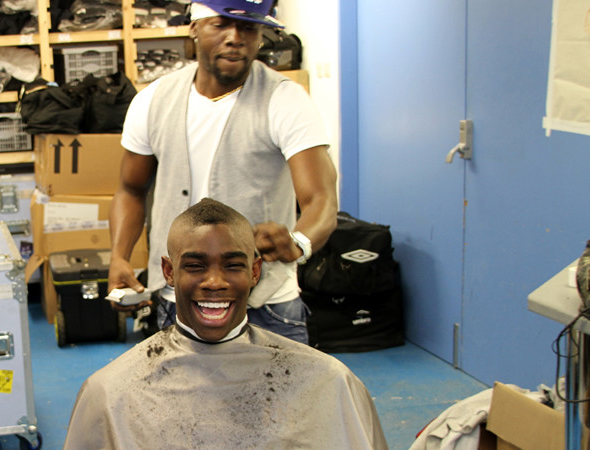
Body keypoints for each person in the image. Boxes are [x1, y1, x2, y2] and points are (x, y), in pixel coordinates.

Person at [64, 199, 387, 449]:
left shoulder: (328, 380)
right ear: (169, 272)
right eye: (195, 266)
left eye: (233, 265)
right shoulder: (109, 392)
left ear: (255, 271)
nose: (215, 282)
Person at [108, 0, 338, 344]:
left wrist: (299, 242)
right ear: (194, 27)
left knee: (279, 382)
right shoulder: (153, 100)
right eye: (220, 24)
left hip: (264, 303)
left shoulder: (285, 100)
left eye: (248, 27)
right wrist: (118, 256)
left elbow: (322, 198)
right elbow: (130, 189)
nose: (235, 37)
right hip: (179, 300)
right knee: (181, 382)